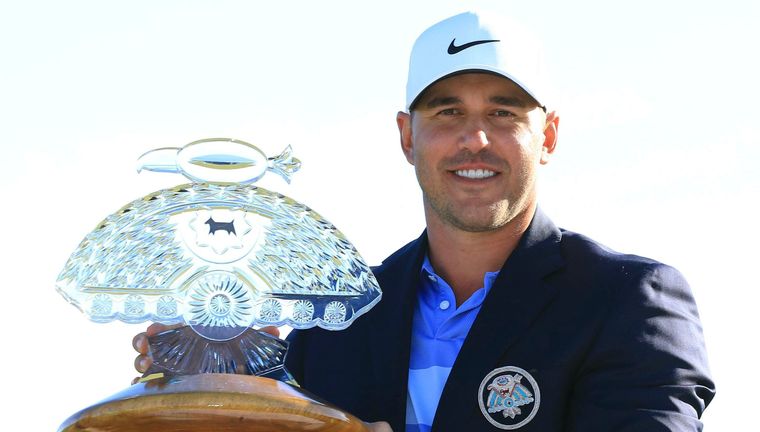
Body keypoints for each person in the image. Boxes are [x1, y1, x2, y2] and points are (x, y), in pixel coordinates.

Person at [134, 11, 715, 431]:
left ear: (549, 136)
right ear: (408, 137)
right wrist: (225, 378)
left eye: (504, 113)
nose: (475, 139)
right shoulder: (333, 322)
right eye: (448, 111)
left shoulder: (628, 302)